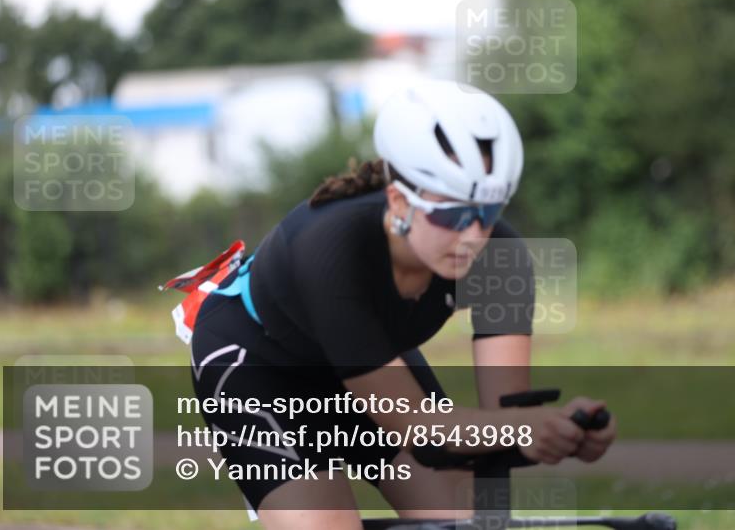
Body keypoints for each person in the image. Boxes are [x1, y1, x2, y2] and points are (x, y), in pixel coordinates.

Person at [186, 79, 616, 529]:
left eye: (488, 212)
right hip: (261, 369)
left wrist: (563, 431)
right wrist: (522, 430)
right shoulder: (333, 252)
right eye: (451, 214)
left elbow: (505, 423)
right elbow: (418, 426)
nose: (473, 236)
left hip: (366, 365)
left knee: (460, 522)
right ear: (398, 201)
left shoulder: (500, 258)